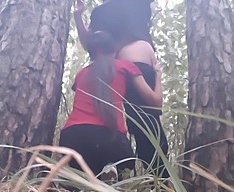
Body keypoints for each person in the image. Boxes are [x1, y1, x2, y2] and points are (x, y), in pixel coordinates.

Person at [73, 0, 170, 178]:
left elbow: (90, 44)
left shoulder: (100, 12)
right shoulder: (135, 4)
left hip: (110, 65)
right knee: (146, 126)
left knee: (105, 119)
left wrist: (78, 16)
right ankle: (157, 181)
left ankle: (118, 174)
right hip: (134, 54)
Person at [59, 31, 163, 180]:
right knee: (124, 172)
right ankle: (109, 169)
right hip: (110, 139)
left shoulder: (81, 74)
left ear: (92, 52)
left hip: (72, 137)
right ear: (114, 50)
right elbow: (155, 102)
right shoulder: (125, 66)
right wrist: (157, 75)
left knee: (85, 182)